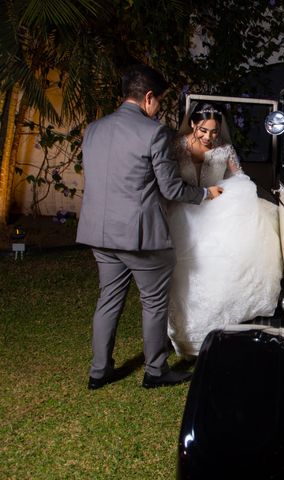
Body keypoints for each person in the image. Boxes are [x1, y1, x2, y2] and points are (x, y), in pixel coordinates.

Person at [77, 64, 222, 390]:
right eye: (159, 102)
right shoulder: (154, 133)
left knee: (108, 299)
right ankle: (155, 370)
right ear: (148, 98)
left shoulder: (93, 129)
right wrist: (204, 193)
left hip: (100, 233)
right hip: (140, 235)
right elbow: (171, 189)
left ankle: (99, 371)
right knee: (153, 302)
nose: (158, 109)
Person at [166, 102, 283, 358]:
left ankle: (215, 330)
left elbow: (239, 177)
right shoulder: (176, 145)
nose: (209, 137)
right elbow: (168, 180)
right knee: (183, 273)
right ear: (193, 124)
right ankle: (185, 334)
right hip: (184, 210)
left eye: (214, 131)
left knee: (220, 269)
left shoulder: (225, 149)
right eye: (203, 130)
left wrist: (231, 192)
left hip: (216, 210)